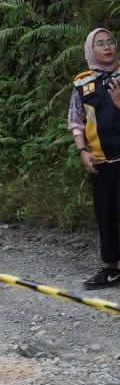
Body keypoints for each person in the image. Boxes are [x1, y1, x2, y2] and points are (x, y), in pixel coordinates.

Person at [69, 29, 120, 290]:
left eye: (110, 41)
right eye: (100, 44)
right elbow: (76, 121)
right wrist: (82, 151)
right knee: (106, 214)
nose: (107, 47)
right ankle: (112, 269)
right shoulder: (82, 83)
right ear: (91, 50)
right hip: (100, 161)